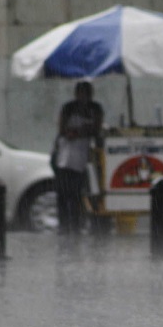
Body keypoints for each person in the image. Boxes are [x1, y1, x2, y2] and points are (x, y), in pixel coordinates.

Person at [54, 81, 103, 235]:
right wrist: (76, 132)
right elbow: (63, 129)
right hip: (65, 157)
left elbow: (96, 128)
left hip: (83, 157)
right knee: (63, 193)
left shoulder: (95, 108)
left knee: (77, 193)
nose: (82, 97)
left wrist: (79, 132)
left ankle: (76, 223)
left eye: (85, 93)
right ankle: (64, 224)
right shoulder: (68, 107)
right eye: (80, 93)